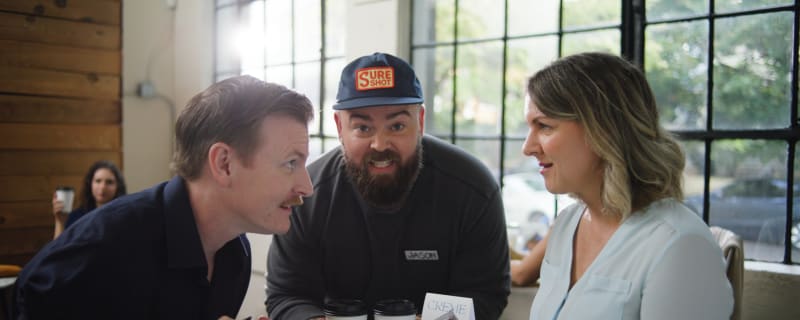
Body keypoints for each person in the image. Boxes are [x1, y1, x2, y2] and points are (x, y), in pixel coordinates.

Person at [14, 75, 315, 319]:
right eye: (291, 163)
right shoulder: (103, 250)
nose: (307, 187)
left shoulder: (235, 255)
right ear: (224, 163)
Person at [266, 52, 510, 320]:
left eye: (396, 125)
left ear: (420, 122)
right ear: (339, 127)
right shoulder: (308, 195)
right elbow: (287, 294)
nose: (380, 144)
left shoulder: (473, 189)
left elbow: (486, 293)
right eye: (362, 127)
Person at [523, 52, 733, 319]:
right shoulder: (566, 225)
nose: (527, 148)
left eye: (544, 126)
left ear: (603, 129)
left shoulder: (681, 245)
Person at [52, 160, 127, 239]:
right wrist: (60, 221)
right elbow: (58, 249)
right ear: (90, 184)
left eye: (109, 182)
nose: (102, 187)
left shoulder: (125, 216)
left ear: (118, 186)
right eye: (98, 181)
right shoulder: (77, 216)